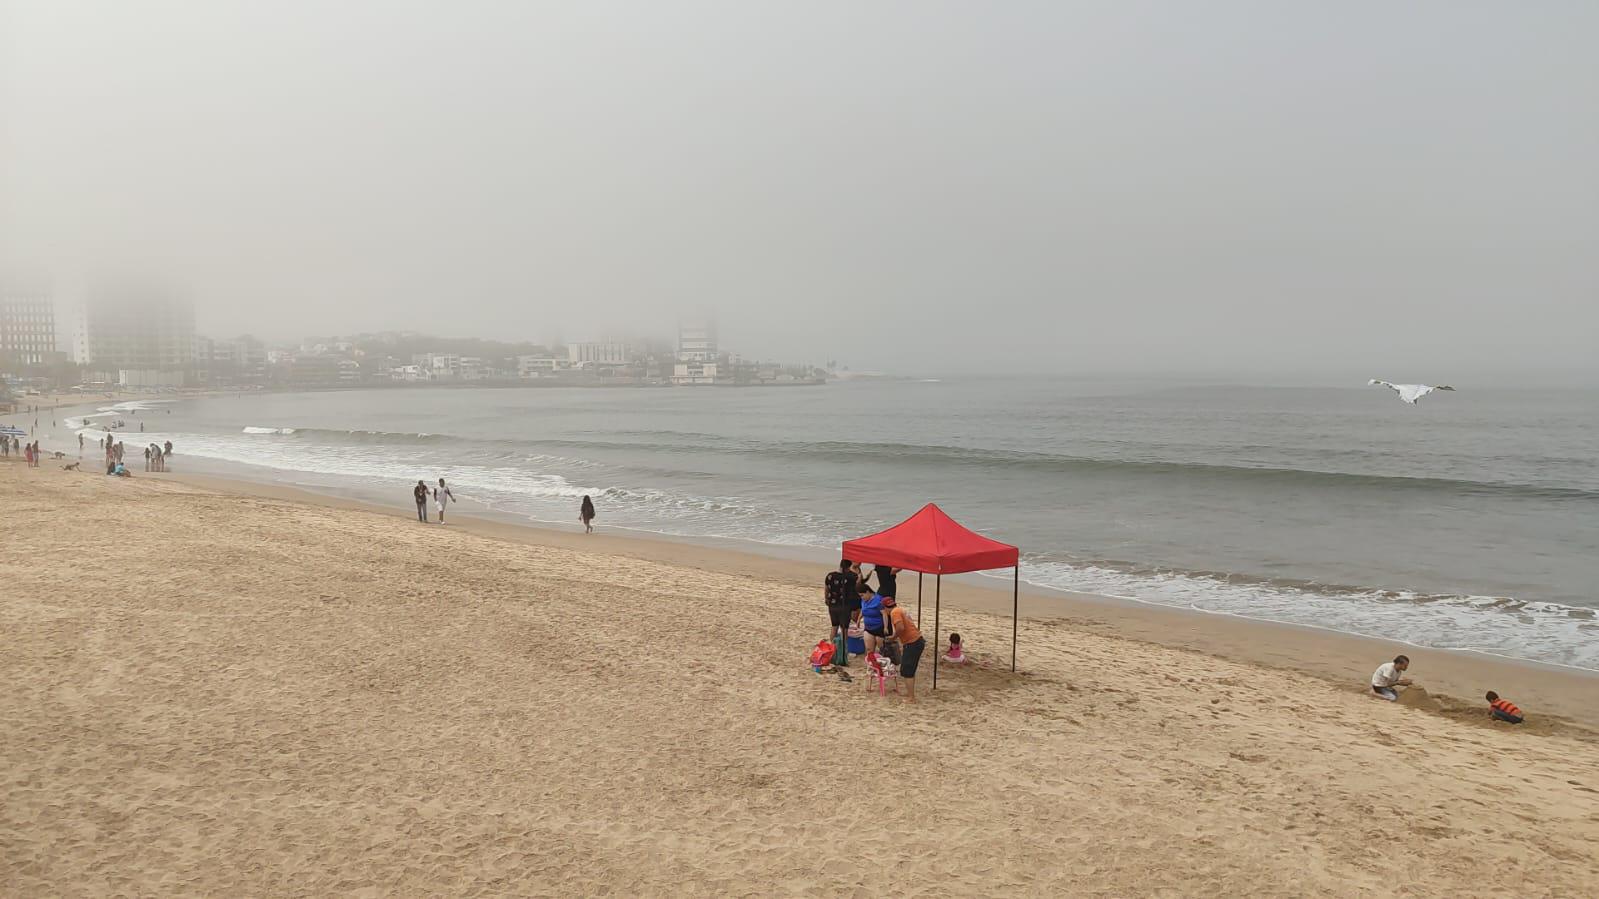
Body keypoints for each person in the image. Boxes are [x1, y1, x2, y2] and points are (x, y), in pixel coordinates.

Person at [883, 595, 926, 703]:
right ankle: (910, 693)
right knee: (910, 669)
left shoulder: (894, 613)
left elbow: (900, 628)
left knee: (906, 670)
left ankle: (911, 698)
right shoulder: (900, 609)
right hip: (916, 640)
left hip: (913, 642)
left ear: (885, 608)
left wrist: (893, 637)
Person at [822, 559, 859, 654]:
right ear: (848, 567)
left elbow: (826, 589)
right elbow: (858, 581)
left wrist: (826, 599)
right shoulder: (850, 578)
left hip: (832, 604)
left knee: (834, 626)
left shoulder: (830, 576)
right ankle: (843, 650)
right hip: (844, 605)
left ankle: (832, 647)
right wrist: (857, 568)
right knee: (844, 628)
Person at [858, 581, 887, 657]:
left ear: (867, 592)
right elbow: (863, 610)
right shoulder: (863, 600)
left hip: (879, 627)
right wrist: (858, 620)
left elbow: (884, 614)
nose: (862, 597)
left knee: (882, 650)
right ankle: (871, 665)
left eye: (862, 595)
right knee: (869, 650)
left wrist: (886, 627)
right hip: (868, 628)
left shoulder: (879, 600)